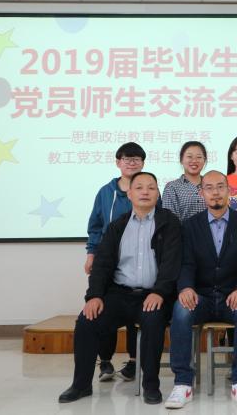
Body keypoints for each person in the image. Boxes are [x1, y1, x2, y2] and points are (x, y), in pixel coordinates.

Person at [58, 172, 182, 405]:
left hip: (154, 294)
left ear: (158, 194)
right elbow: (102, 264)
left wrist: (160, 292)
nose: (145, 192)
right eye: (139, 187)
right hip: (119, 294)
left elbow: (172, 263)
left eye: (151, 188)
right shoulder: (118, 226)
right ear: (129, 193)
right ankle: (81, 385)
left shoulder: (169, 222)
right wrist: (94, 296)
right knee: (86, 322)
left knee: (153, 322)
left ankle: (151, 386)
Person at [166, 171, 237, 409]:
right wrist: (185, 287)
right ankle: (182, 383)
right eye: (209, 188)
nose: (215, 192)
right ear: (202, 193)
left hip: (232, 296)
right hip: (202, 296)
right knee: (181, 310)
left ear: (229, 190)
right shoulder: (190, 225)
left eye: (220, 187)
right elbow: (186, 263)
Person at [84, 142, 149, 382]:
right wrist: (91, 254)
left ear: (143, 163)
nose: (131, 163)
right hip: (108, 260)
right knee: (104, 308)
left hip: (139, 261)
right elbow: (95, 226)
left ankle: (133, 361)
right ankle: (105, 361)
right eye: (126, 159)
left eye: (136, 159)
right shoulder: (105, 192)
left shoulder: (149, 190)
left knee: (136, 313)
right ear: (118, 162)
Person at [163, 141, 207, 222]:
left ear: (204, 160)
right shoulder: (172, 187)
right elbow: (170, 220)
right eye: (189, 156)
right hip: (181, 230)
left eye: (199, 157)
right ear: (181, 160)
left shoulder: (211, 185)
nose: (194, 160)